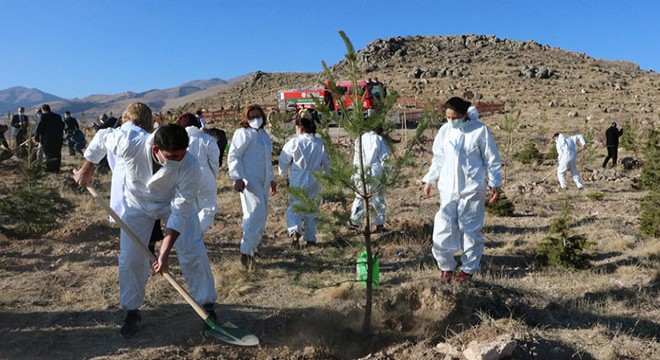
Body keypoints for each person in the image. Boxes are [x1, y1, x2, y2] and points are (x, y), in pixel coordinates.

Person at [73, 112, 217, 339]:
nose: (179, 159)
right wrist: (86, 169)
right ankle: (132, 311)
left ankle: (207, 308)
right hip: (137, 205)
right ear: (156, 149)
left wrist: (164, 252)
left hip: (171, 203)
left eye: (182, 154)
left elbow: (180, 210)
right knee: (131, 258)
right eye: (173, 156)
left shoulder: (190, 165)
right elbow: (101, 137)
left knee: (193, 250)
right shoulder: (129, 143)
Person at [422, 97, 502, 282]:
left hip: (472, 188)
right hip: (448, 188)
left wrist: (495, 184)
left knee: (470, 230)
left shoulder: (480, 131)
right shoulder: (444, 131)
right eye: (448, 117)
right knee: (443, 228)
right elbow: (438, 158)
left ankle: (467, 270)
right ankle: (446, 267)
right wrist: (430, 179)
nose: (451, 121)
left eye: (454, 117)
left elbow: (492, 159)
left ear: (464, 114)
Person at [227, 104, 276, 269]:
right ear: (246, 118)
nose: (256, 119)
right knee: (254, 213)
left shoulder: (263, 135)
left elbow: (267, 160)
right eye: (252, 116)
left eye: (258, 115)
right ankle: (246, 253)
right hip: (250, 180)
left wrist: (271, 179)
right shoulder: (243, 134)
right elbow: (234, 155)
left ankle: (253, 249)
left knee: (262, 216)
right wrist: (237, 177)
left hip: (263, 181)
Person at [278, 109, 330, 247]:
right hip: (315, 180)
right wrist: (329, 176)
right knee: (312, 208)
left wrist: (282, 174)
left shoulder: (294, 143)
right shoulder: (319, 143)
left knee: (295, 207)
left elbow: (283, 160)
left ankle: (294, 230)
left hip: (298, 178)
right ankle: (311, 238)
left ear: (300, 127)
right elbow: (327, 162)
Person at [176, 113, 220, 232]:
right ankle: (195, 233)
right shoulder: (207, 139)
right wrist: (213, 174)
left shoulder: (178, 141)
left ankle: (189, 235)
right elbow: (214, 161)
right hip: (204, 175)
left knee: (190, 209)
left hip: (184, 177)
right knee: (208, 207)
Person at [349, 124, 391, 233]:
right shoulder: (378, 139)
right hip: (375, 171)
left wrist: (354, 174)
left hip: (360, 171)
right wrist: (388, 173)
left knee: (359, 196)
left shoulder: (360, 139)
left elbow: (356, 159)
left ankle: (355, 222)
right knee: (377, 197)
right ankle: (379, 224)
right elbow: (385, 158)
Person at [34, 104, 64, 173]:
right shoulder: (58, 116)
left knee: (49, 155)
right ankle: (56, 169)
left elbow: (39, 127)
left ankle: (50, 170)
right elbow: (62, 126)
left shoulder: (43, 116)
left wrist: (36, 137)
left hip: (47, 140)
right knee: (57, 154)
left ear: (42, 110)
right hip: (57, 139)